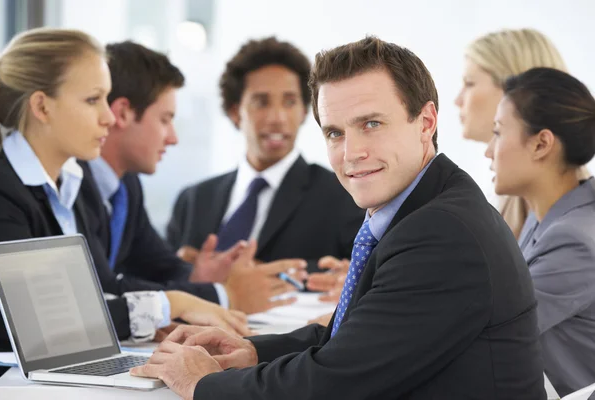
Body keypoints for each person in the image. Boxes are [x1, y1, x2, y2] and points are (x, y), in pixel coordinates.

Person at [131, 36, 545, 399]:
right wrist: (253, 350)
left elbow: (334, 383)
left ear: (426, 122)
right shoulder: (423, 208)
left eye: (371, 124)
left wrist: (203, 385)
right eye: (335, 132)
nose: (351, 153)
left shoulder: (441, 233)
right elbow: (359, 337)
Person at [0, 28, 248, 353]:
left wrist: (157, 318)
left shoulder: (67, 184)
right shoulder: (2, 190)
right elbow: (34, 324)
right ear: (42, 107)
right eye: (92, 100)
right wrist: (170, 304)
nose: (107, 117)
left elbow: (101, 290)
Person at [79, 40, 303, 315]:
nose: (173, 138)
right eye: (165, 119)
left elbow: (156, 264)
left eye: (291, 102)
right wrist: (221, 295)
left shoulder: (126, 185)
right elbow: (102, 292)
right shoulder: (71, 183)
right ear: (123, 113)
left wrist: (199, 274)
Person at [166, 37, 364, 275]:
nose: (278, 117)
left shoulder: (343, 195)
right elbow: (162, 276)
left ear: (304, 112)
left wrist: (265, 273)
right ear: (235, 112)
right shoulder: (193, 200)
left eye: (290, 102)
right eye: (261, 102)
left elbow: (359, 274)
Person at [485, 67, 595, 396]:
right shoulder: (549, 213)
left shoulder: (573, 239)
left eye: (498, 132)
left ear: (541, 144)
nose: (489, 151)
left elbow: (490, 328)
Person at [455, 28, 590, 238]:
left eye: (470, 83)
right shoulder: (510, 196)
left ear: (516, 89)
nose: (458, 100)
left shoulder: (567, 223)